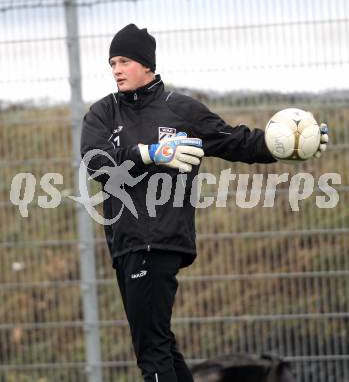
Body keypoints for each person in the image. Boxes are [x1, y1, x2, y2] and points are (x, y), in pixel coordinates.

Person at [80, 24, 328, 382]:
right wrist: (147, 153)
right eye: (112, 63)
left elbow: (235, 141)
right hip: (126, 243)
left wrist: (284, 148)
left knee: (152, 353)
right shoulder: (104, 113)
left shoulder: (180, 110)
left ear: (147, 64)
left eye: (125, 61)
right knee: (160, 345)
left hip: (161, 239)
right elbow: (96, 164)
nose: (116, 69)